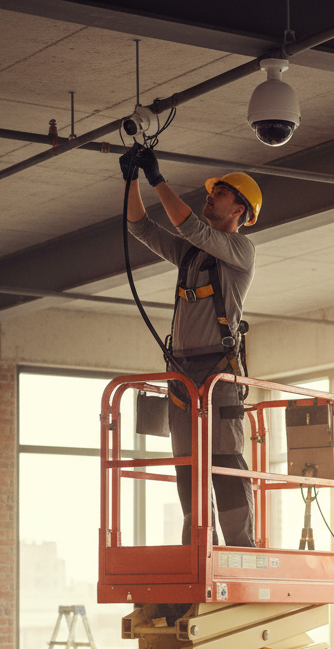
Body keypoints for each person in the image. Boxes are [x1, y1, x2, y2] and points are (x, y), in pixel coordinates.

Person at [120, 145, 262, 547]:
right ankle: (197, 548)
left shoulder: (240, 252)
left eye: (220, 193)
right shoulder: (190, 255)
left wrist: (156, 179)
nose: (210, 196)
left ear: (240, 210)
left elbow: (190, 227)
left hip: (218, 375)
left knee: (224, 462)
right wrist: (131, 180)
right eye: (212, 191)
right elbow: (140, 226)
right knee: (188, 465)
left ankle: (238, 548)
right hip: (181, 374)